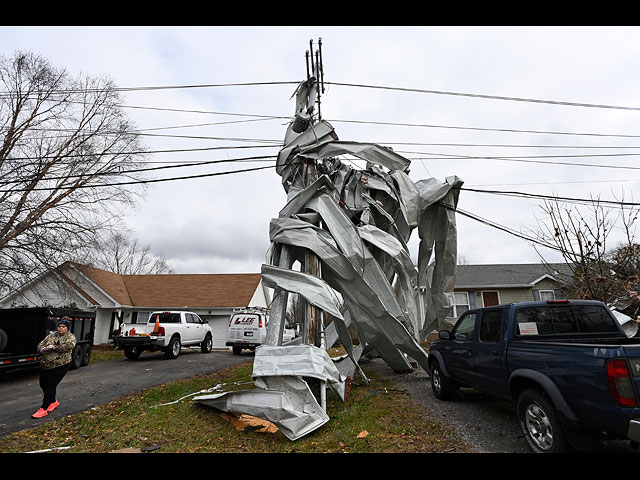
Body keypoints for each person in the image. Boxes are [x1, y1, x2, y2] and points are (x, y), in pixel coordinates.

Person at [32, 317, 77, 419]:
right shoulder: (51, 336)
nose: (61, 328)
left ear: (67, 328)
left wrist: (53, 347)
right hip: (46, 364)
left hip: (60, 365)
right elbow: (41, 344)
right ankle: (53, 401)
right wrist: (42, 349)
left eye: (63, 327)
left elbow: (69, 346)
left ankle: (43, 409)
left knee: (50, 385)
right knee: (43, 384)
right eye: (59, 326)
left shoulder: (70, 337)